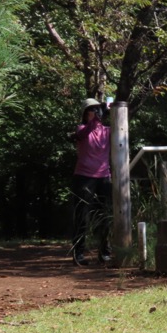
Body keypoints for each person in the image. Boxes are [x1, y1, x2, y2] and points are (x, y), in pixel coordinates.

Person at [69, 98, 112, 266]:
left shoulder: (107, 131)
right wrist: (96, 118)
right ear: (85, 114)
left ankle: (104, 252)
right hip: (84, 177)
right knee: (82, 216)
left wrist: (111, 110)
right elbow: (83, 133)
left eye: (97, 109)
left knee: (104, 216)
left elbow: (122, 130)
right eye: (92, 110)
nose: (96, 112)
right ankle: (78, 253)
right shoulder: (81, 129)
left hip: (103, 177)